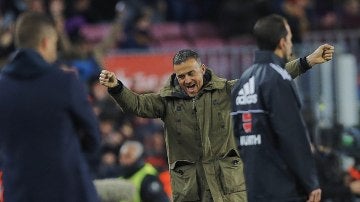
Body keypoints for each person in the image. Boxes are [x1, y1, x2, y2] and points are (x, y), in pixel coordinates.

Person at [99, 44, 333, 201]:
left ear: (202, 69)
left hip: (228, 188)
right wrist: (117, 88)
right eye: (181, 76)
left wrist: (307, 61)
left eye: (191, 73)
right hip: (191, 189)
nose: (186, 80)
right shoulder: (165, 100)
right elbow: (137, 105)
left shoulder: (227, 91)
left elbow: (266, 79)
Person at [231, 14, 334, 202]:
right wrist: (309, 181)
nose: (291, 44)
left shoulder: (243, 81)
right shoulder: (278, 78)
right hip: (283, 187)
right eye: (290, 38)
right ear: (282, 43)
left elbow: (237, 135)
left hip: (254, 186)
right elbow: (292, 134)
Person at [0, 12, 101, 202]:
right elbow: (92, 135)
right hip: (69, 190)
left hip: (20, 192)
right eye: (55, 45)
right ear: (46, 42)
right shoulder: (66, 83)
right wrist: (80, 166)